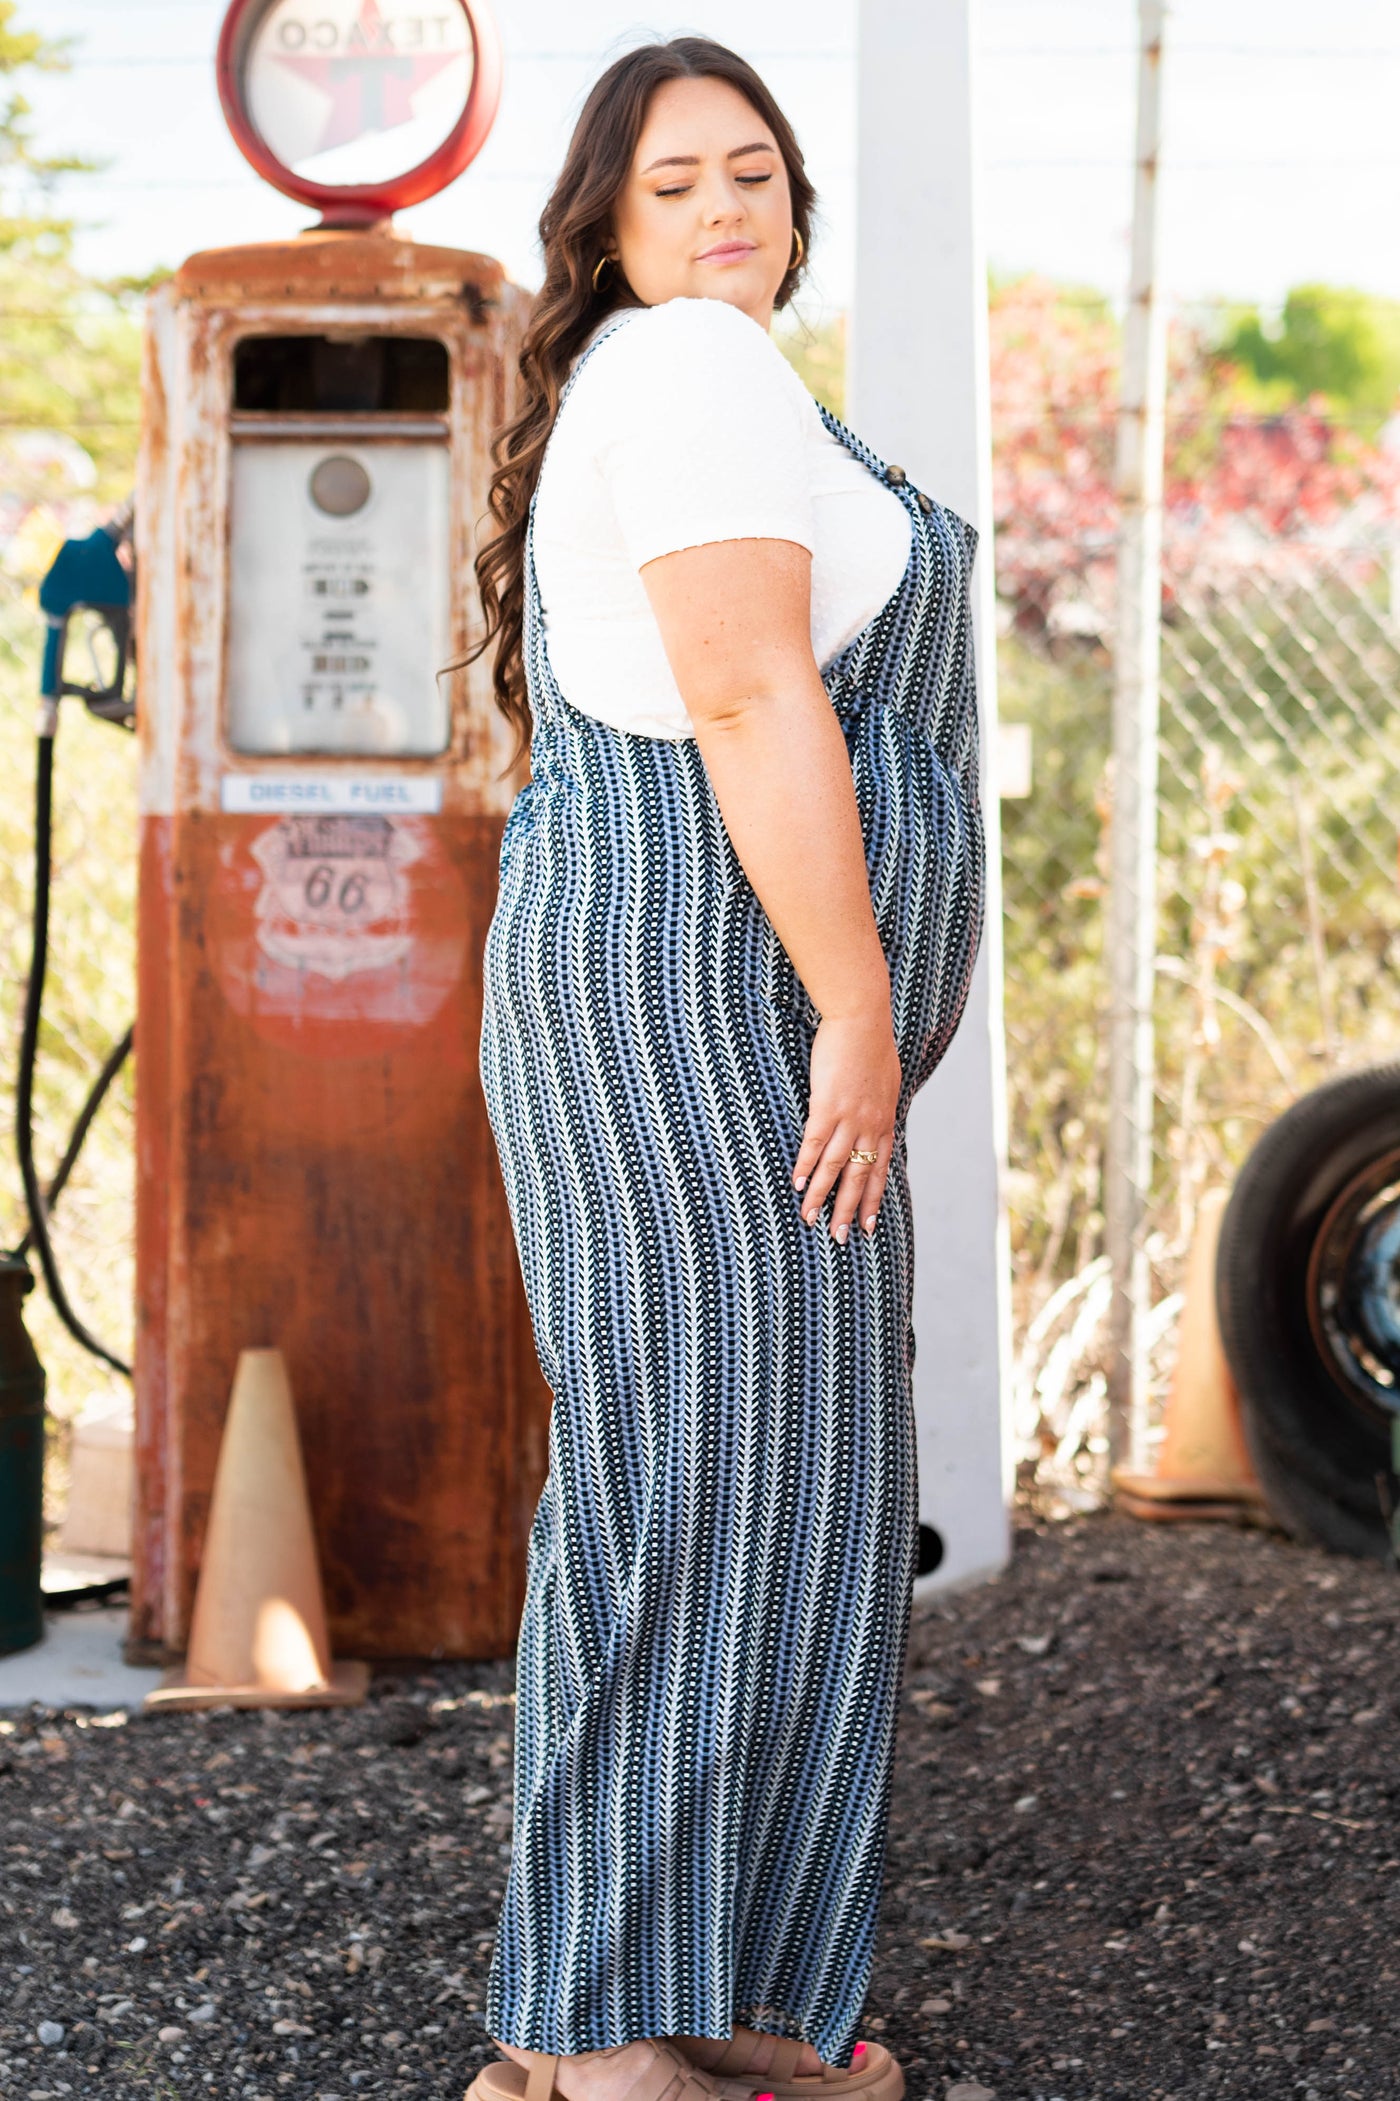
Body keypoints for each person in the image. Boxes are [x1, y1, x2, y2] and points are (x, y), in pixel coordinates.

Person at [463, 34, 985, 2101]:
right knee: (697, 1493)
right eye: (671, 181)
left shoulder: (745, 387)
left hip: (731, 981)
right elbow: (753, 690)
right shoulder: (687, 371)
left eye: (752, 169)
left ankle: (676, 1990)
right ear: (605, 225)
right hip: (709, 987)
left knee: (790, 1501)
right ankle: (592, 2037)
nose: (723, 208)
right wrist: (858, 1003)